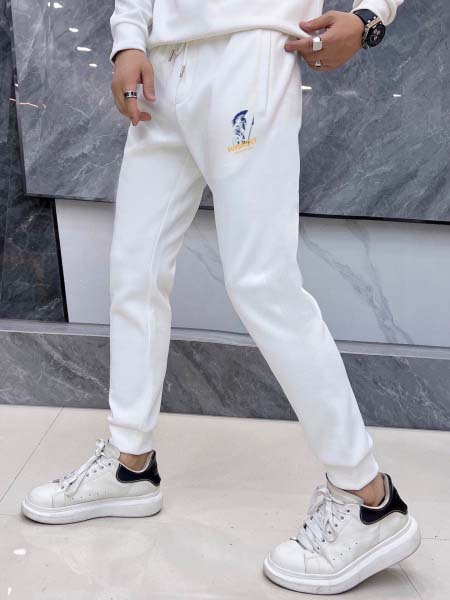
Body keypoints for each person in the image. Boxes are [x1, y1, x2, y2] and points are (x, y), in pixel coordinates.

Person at [22, 0, 421, 594]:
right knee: (134, 269)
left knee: (262, 282)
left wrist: (369, 19)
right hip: (162, 65)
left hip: (250, 52)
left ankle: (369, 498)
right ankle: (130, 465)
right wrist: (128, 39)